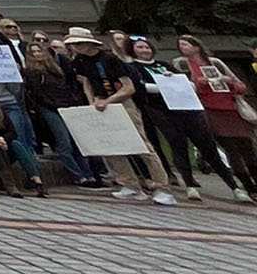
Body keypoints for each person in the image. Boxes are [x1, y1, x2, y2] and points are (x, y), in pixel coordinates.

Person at [64, 27, 175, 205]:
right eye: (73, 45)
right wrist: (92, 101)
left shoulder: (109, 59)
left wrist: (109, 100)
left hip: (122, 102)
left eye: (79, 44)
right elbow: (86, 82)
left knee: (141, 145)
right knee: (111, 145)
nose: (76, 48)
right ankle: (129, 184)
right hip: (100, 102)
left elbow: (128, 87)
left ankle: (162, 187)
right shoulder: (80, 61)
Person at [174, 34, 257, 202]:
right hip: (209, 111)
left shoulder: (216, 63)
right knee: (231, 149)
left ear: (196, 46)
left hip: (231, 109)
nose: (184, 48)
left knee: (248, 149)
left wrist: (228, 81)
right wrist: (198, 84)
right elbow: (183, 89)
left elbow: (241, 87)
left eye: (187, 44)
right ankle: (249, 186)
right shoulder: (182, 65)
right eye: (181, 45)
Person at [21, 36, 99, 187]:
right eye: (34, 52)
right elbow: (38, 94)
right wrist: (54, 105)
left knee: (77, 142)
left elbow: (67, 86)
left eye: (39, 51)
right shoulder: (31, 72)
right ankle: (78, 176)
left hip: (67, 106)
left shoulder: (56, 69)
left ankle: (88, 174)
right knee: (63, 142)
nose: (37, 54)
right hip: (50, 109)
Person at [0, 87, 46, 197]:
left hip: (3, 144)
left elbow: (12, 132)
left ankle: (36, 180)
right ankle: (9, 183)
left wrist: (3, 139)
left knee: (16, 144)